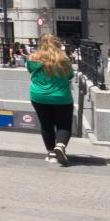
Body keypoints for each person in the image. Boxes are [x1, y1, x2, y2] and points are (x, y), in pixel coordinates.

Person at [27, 34, 75, 166]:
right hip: (61, 97)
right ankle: (60, 146)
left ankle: (51, 154)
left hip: (38, 96)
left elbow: (29, 70)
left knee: (46, 125)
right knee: (64, 124)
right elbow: (70, 75)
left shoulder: (32, 58)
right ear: (57, 44)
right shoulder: (64, 59)